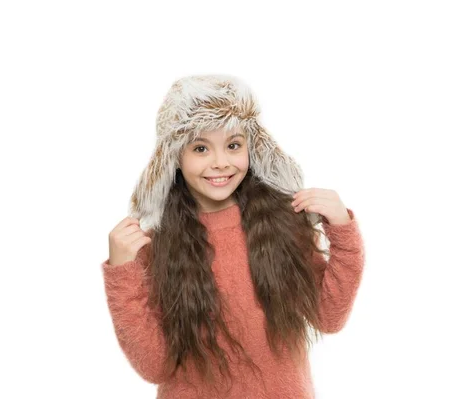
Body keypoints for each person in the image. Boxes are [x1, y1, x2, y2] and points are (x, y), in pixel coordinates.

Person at [101, 74, 365, 398]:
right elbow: (155, 366)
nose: (221, 162)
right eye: (201, 148)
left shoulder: (283, 222)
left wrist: (342, 232)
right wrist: (123, 272)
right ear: (175, 157)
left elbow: (329, 317)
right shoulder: (154, 243)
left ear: (251, 147)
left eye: (233, 145)